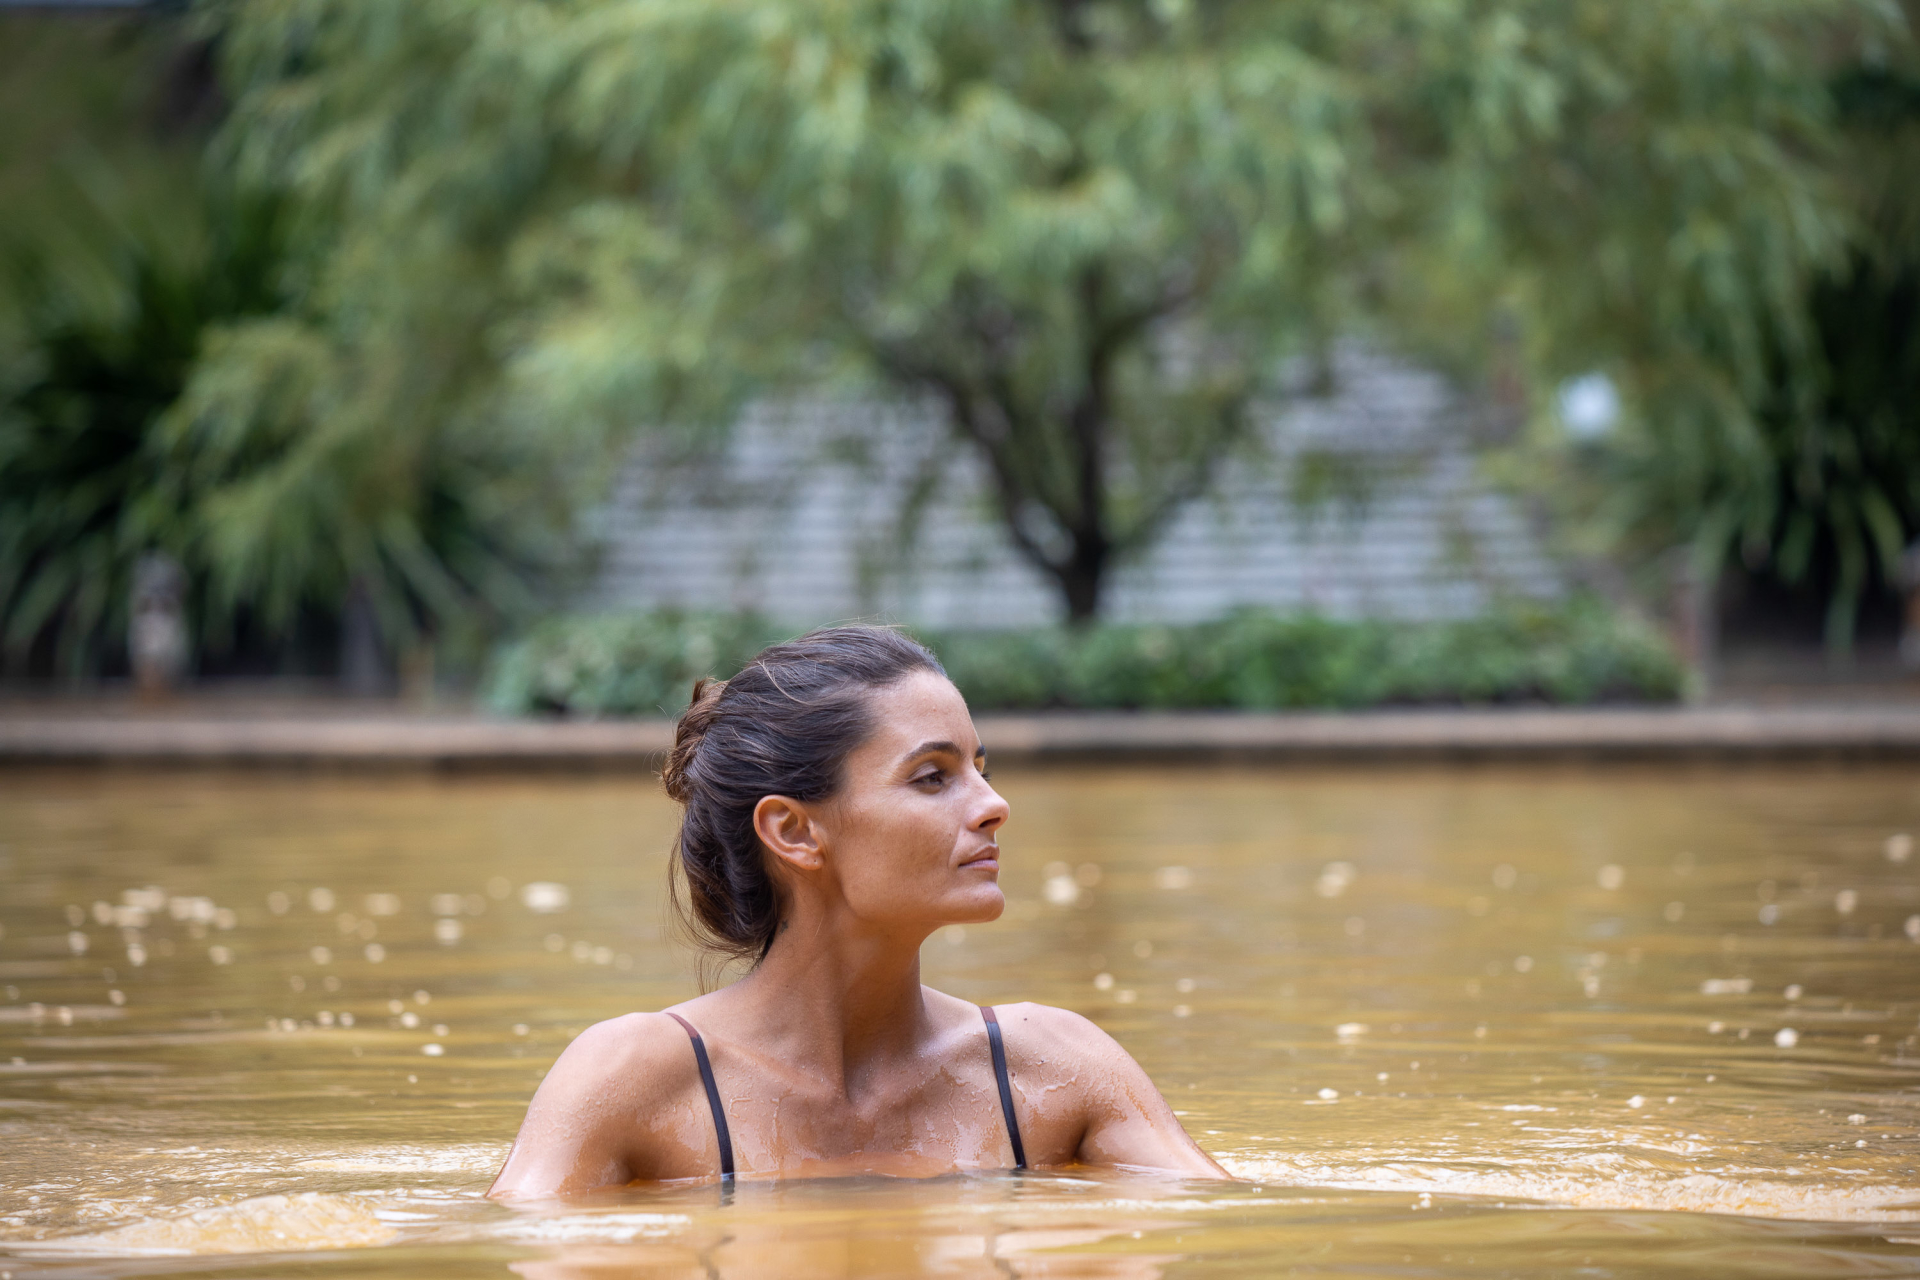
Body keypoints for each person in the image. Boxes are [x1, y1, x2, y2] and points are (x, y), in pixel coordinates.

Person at [489, 626, 1227, 1193]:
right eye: (933, 777)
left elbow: (1228, 1224)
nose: (996, 806)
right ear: (794, 831)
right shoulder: (632, 1081)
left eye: (983, 769)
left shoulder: (1049, 1071)